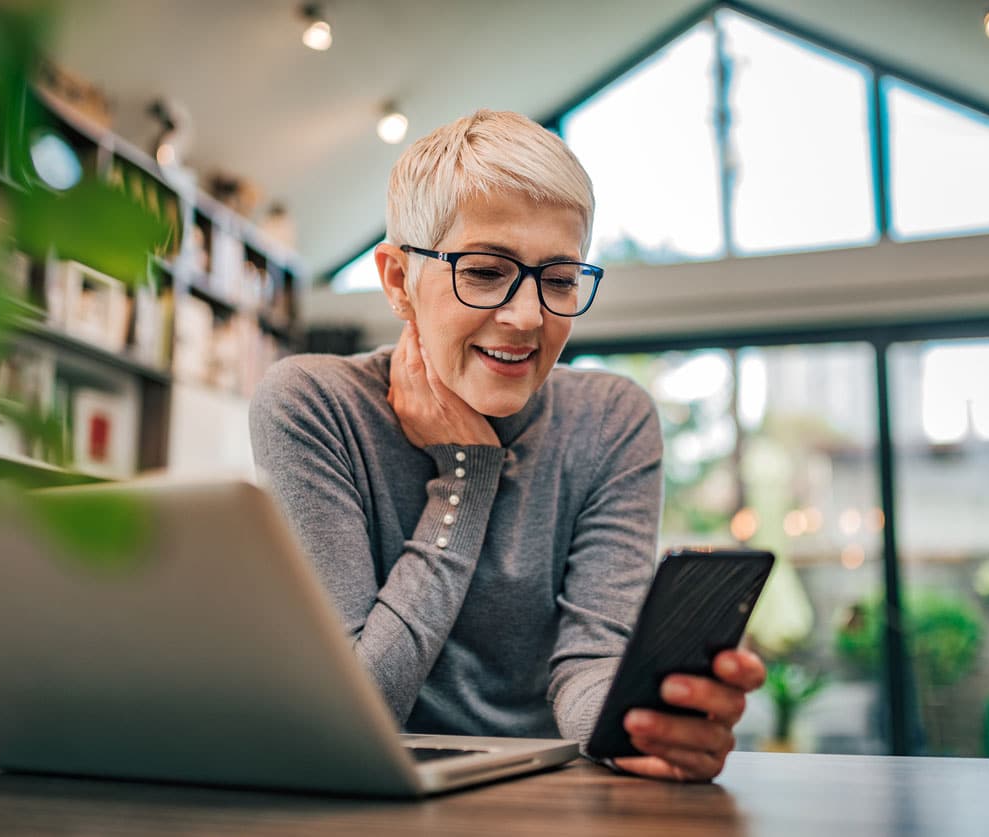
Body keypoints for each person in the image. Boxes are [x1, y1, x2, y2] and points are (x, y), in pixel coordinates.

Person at [250, 109, 765, 782]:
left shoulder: (611, 420)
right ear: (399, 280)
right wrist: (467, 475)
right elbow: (356, 708)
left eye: (558, 280)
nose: (527, 317)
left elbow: (587, 665)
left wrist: (642, 720)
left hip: (547, 803)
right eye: (486, 271)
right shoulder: (313, 406)